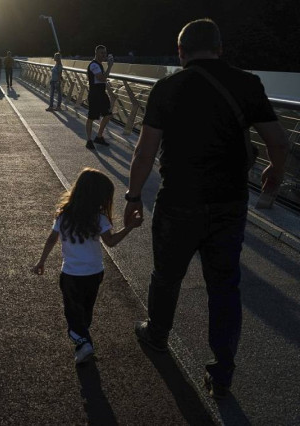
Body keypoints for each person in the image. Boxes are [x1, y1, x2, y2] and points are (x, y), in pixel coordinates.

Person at [124, 18, 289, 399]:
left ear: (181, 52)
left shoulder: (167, 88)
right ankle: (223, 372)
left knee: (167, 275)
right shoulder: (248, 83)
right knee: (224, 286)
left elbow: (144, 152)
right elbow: (278, 141)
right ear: (219, 48)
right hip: (230, 202)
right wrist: (275, 173)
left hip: (179, 199)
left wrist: (133, 198)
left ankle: (158, 335)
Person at [33, 168, 143, 364]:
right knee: (85, 310)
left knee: (72, 312)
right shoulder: (98, 218)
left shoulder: (64, 216)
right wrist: (130, 227)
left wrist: (42, 261)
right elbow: (110, 242)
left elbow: (51, 239)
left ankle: (84, 343)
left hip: (71, 274)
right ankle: (84, 341)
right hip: (94, 273)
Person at [85, 45, 114, 150]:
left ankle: (99, 136)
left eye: (105, 53)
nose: (104, 55)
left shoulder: (99, 65)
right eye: (102, 53)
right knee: (91, 117)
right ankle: (89, 140)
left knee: (108, 115)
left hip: (101, 93)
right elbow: (102, 78)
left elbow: (102, 78)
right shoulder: (94, 65)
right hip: (95, 94)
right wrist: (110, 66)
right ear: (96, 53)